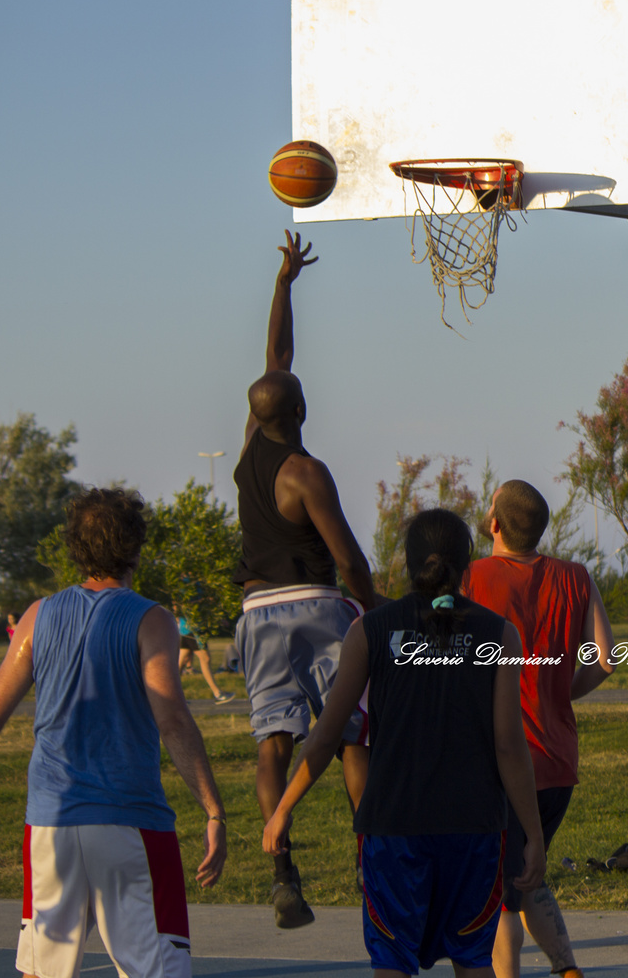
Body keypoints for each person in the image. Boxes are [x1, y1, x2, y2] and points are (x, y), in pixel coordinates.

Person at [0, 489, 228, 978]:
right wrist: (213, 809)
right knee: (158, 968)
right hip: (129, 818)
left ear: (74, 547)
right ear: (135, 545)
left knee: (42, 969)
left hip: (51, 822)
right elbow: (171, 719)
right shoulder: (151, 619)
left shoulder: (37, 616)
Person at [263, 508, 546, 978]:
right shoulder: (499, 634)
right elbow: (509, 745)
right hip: (474, 828)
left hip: (394, 828)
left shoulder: (369, 630)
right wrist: (531, 834)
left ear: (408, 562)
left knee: (392, 960)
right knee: (473, 958)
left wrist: (284, 807)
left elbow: (329, 730)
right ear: (467, 564)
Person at [234, 229, 383, 928]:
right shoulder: (306, 471)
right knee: (353, 733)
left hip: (258, 610)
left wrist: (284, 284)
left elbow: (276, 361)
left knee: (274, 740)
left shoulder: (247, 451)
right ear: (300, 412)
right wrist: (375, 607)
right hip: (321, 606)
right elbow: (348, 557)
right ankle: (369, 861)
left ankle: (282, 870)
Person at [459, 481, 616, 978]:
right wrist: (562, 691)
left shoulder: (471, 578)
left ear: (494, 524)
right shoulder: (576, 576)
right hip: (558, 758)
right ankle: (566, 968)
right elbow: (606, 659)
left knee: (501, 890)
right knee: (527, 874)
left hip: (503, 761)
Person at [176, 605, 234, 703]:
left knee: (181, 662)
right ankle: (217, 693)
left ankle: (173, 696)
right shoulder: (190, 591)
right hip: (193, 629)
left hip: (188, 629)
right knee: (205, 658)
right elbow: (181, 604)